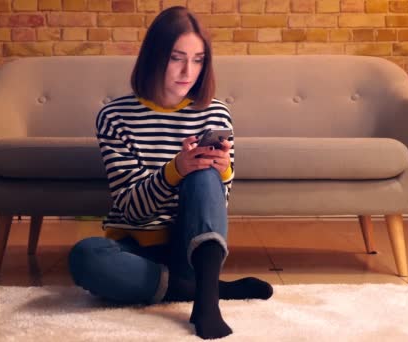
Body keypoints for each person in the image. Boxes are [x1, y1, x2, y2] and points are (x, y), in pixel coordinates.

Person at [68, 6, 273, 340]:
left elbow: (215, 208)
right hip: (135, 248)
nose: (187, 71)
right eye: (177, 58)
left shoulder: (215, 114)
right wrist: (174, 170)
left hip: (189, 248)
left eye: (198, 59)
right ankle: (200, 289)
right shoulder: (114, 116)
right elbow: (130, 208)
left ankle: (206, 302)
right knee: (85, 257)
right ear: (154, 57)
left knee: (206, 176)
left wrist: (223, 174)